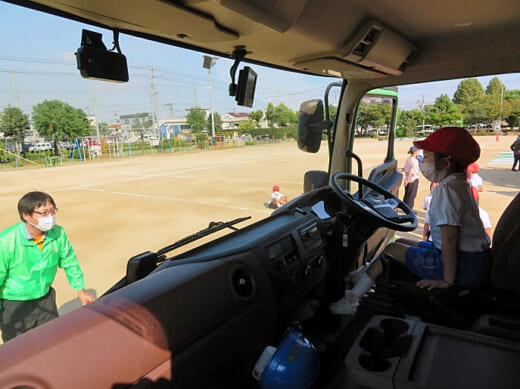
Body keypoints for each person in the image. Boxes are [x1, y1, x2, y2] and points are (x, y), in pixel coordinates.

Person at [330, 127, 492, 315]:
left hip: (464, 268)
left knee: (391, 251)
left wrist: (447, 281)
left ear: (445, 163)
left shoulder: (446, 191)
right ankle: (364, 276)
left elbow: (450, 239)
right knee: (400, 241)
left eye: (427, 157)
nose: (423, 161)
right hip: (474, 262)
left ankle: (353, 299)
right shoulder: (460, 184)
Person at [0, 191, 95, 342]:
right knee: (19, 349)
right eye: (44, 213)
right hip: (15, 304)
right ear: (26, 215)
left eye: (52, 211)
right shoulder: (7, 241)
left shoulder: (57, 233)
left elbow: (69, 260)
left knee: (52, 340)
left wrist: (80, 289)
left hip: (45, 297)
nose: (50, 217)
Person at [402, 146, 420, 210]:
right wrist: (408, 180)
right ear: (415, 152)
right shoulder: (415, 161)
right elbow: (412, 172)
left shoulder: (408, 159)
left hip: (407, 178)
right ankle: (409, 210)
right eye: (418, 150)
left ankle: (404, 208)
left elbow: (405, 169)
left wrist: (406, 180)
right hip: (413, 179)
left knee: (407, 195)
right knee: (411, 196)